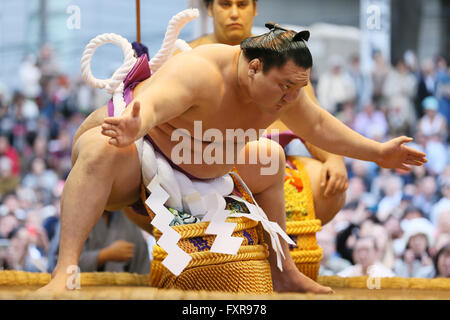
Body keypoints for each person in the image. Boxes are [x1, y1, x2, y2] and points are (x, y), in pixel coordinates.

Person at [38, 22, 427, 294]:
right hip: (145, 160)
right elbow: (152, 104)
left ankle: (283, 272)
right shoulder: (201, 71)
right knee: (100, 147)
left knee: (271, 157)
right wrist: (132, 127)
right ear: (254, 68)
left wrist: (378, 153)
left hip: (210, 171)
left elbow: (321, 127)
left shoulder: (283, 90)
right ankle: (65, 268)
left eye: (299, 88)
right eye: (286, 88)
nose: (292, 98)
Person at [188, 0, 348, 225]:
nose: (234, 13)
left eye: (242, 5)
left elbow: (314, 122)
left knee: (327, 183)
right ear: (210, 9)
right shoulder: (186, 55)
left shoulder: (282, 54)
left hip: (272, 161)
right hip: (200, 163)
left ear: (255, 9)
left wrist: (334, 158)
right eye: (225, 4)